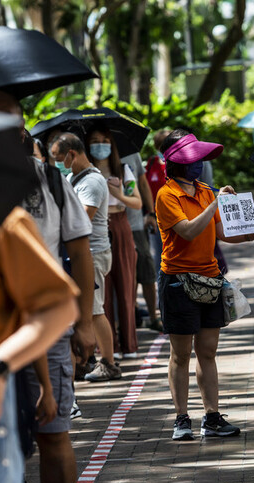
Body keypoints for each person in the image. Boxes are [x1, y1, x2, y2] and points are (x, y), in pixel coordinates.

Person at [0, 90, 91, 483]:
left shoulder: (53, 181)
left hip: (48, 328)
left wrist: (84, 323)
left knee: (53, 430)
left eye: (13, 121)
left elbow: (78, 250)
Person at [156, 129, 254, 441]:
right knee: (180, 354)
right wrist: (215, 203)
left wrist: (251, 234)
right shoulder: (166, 195)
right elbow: (189, 231)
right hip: (178, 282)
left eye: (201, 160)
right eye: (193, 160)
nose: (199, 165)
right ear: (177, 163)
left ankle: (212, 416)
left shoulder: (206, 191)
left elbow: (221, 233)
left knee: (207, 351)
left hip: (210, 278)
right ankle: (182, 418)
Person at [51, 133, 121, 382]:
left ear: (72, 154)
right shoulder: (73, 177)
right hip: (85, 254)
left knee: (94, 310)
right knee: (90, 309)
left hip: (93, 253)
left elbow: (81, 220)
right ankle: (92, 360)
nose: (58, 163)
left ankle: (109, 363)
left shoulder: (91, 182)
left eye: (60, 158)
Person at [86, 127, 141, 360]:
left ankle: (129, 344)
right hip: (95, 229)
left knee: (126, 285)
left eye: (105, 140)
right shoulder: (85, 172)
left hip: (119, 224)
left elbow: (136, 202)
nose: (101, 145)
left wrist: (116, 193)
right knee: (102, 289)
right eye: (95, 141)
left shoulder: (124, 170)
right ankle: (110, 347)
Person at [121, 150, 163, 332]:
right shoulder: (92, 154)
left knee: (146, 268)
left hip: (136, 223)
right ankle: (131, 316)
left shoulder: (132, 154)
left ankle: (153, 317)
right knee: (124, 274)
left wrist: (151, 213)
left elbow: (143, 184)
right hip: (111, 224)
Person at [146, 130, 170, 276]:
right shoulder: (152, 163)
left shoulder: (179, 164)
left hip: (175, 214)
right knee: (159, 252)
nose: (164, 148)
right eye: (161, 145)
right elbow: (146, 188)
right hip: (156, 215)